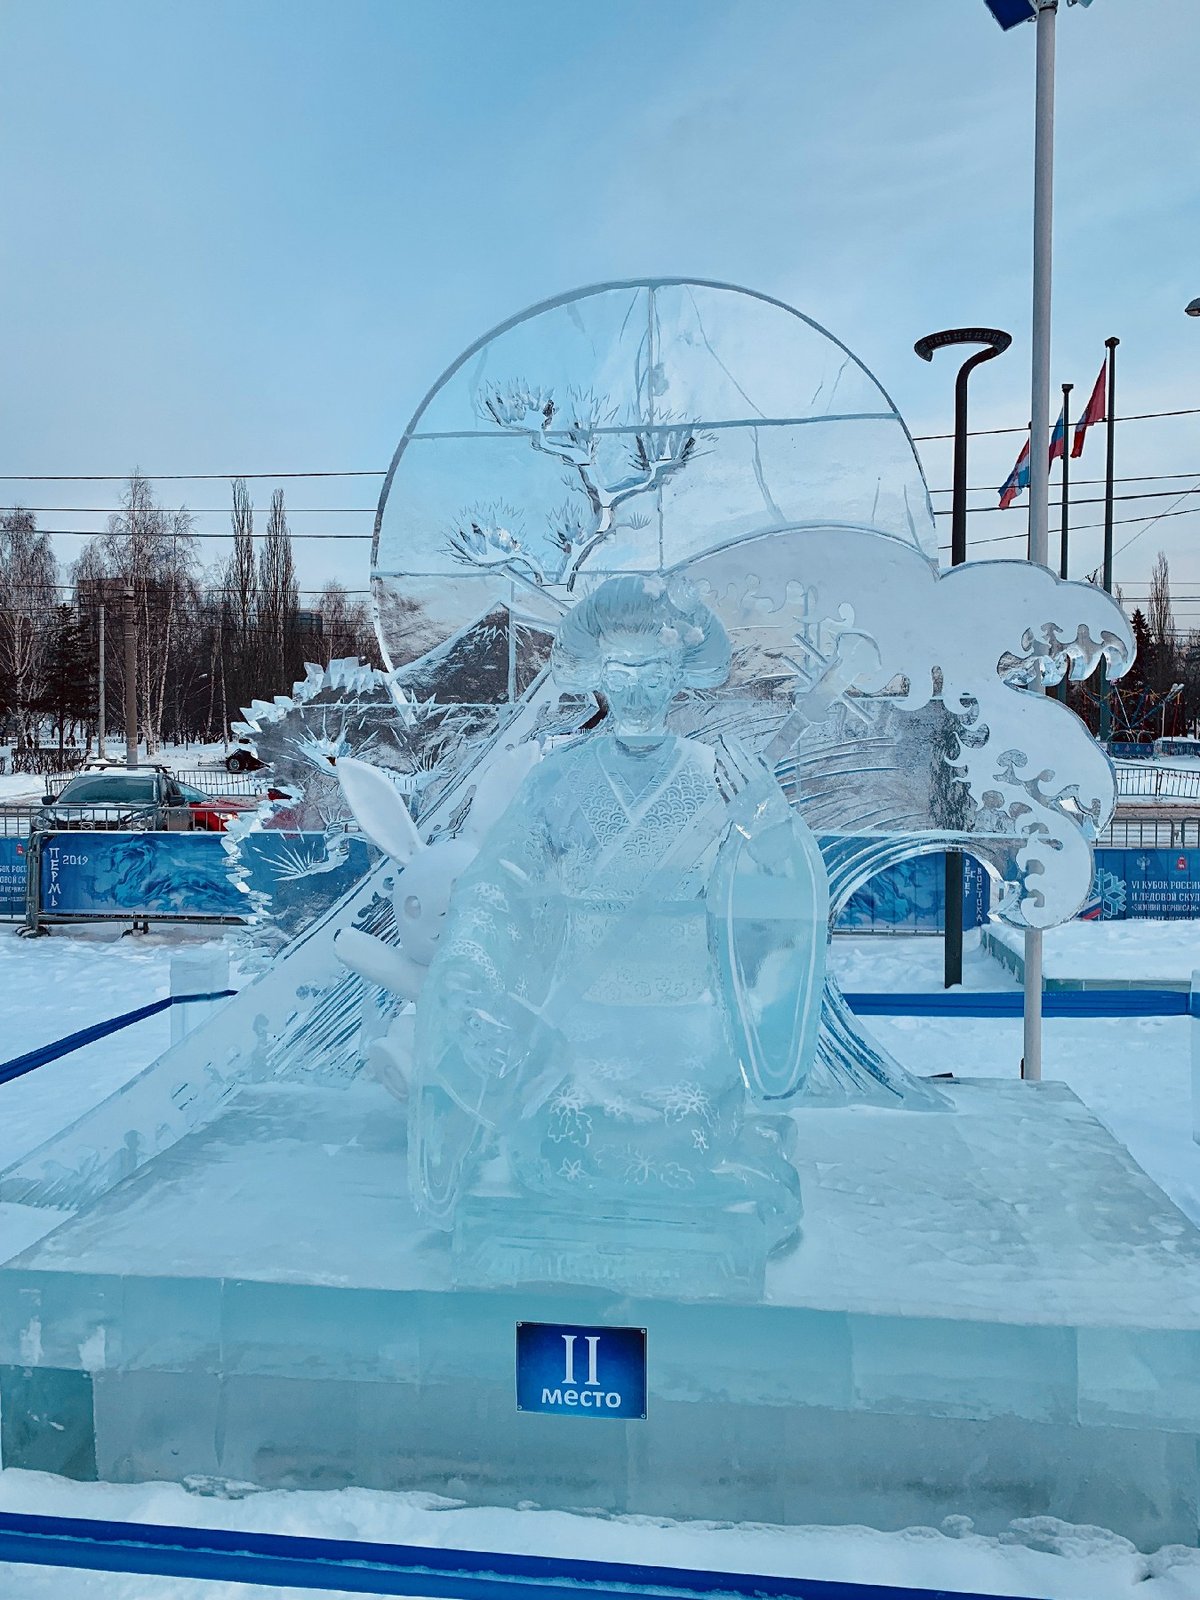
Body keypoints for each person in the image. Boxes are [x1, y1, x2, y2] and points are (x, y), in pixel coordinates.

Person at [411, 574, 828, 1250]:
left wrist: (771, 828)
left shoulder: (719, 777)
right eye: (622, 671)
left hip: (688, 1026)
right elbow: (498, 886)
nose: (636, 689)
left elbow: (777, 902)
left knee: (682, 1140)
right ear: (598, 673)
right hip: (578, 1028)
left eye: (654, 670)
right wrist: (467, 971)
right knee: (552, 1140)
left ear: (681, 674)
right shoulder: (556, 779)